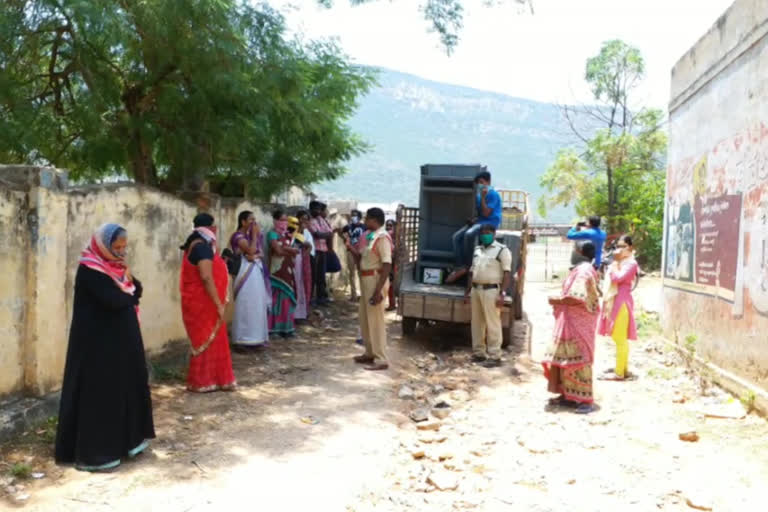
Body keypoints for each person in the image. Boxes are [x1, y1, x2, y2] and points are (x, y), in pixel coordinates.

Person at [55, 224, 155, 472]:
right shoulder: (91, 269)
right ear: (103, 246)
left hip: (121, 346)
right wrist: (129, 294)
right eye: (117, 247)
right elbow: (112, 301)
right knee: (101, 395)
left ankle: (128, 443)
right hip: (98, 348)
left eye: (124, 247)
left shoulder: (117, 269)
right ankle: (98, 454)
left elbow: (136, 290)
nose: (121, 252)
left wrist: (131, 288)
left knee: (126, 389)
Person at [180, 213, 236, 393]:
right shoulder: (202, 248)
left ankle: (214, 380)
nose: (216, 229)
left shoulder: (196, 245)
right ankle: (205, 381)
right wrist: (218, 304)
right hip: (205, 302)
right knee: (209, 338)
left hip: (201, 301)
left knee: (214, 339)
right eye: (214, 226)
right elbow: (205, 277)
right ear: (209, 229)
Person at [542, 241, 600, 414]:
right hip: (570, 321)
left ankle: (584, 399)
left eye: (574, 250)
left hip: (578, 322)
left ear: (580, 252)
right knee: (563, 357)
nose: (572, 252)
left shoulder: (583, 271)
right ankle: (568, 395)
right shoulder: (582, 269)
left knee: (580, 358)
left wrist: (556, 300)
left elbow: (577, 297)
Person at [346, 208, 393, 371]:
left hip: (375, 280)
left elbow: (387, 264)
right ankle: (370, 352)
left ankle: (381, 358)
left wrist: (378, 290)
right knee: (365, 318)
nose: (365, 221)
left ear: (374, 220)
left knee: (376, 321)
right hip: (367, 279)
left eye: (367, 219)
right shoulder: (372, 236)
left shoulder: (382, 238)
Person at [464, 224, 512, 368]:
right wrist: (467, 291)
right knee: (477, 323)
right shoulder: (478, 250)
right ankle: (479, 353)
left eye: (487, 232)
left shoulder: (502, 250)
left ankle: (495, 356)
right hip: (476, 289)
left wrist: (502, 293)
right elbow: (472, 272)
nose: (484, 234)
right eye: (482, 232)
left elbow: (507, 274)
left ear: (493, 233)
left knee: (493, 323)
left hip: (492, 291)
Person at [446, 170, 503, 283]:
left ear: (488, 182)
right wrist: (473, 220)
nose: (480, 185)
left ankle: (468, 265)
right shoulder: (478, 196)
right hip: (480, 222)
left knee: (469, 234)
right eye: (478, 183)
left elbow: (487, 213)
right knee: (456, 237)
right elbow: (481, 214)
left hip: (490, 223)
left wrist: (482, 198)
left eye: (481, 182)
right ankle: (459, 266)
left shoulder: (493, 195)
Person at [599, 235, 639, 381]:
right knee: (618, 338)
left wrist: (615, 263)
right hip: (615, 300)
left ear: (630, 247)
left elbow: (617, 278)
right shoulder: (622, 262)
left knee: (619, 337)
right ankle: (622, 368)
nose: (619, 249)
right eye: (618, 246)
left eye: (623, 246)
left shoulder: (631, 263)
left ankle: (619, 373)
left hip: (621, 301)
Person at [230, 211, 271, 349]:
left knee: (257, 304)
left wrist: (254, 254)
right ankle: (242, 340)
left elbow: (259, 253)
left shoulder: (250, 237)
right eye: (251, 219)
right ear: (243, 222)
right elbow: (251, 251)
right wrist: (254, 236)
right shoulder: (238, 237)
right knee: (246, 305)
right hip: (244, 275)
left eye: (255, 219)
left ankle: (256, 338)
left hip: (255, 273)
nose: (254, 222)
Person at [267, 210, 300, 337]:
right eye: (281, 220)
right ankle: (274, 328)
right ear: (275, 221)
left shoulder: (288, 235)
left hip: (288, 270)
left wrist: (289, 250)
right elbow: (277, 250)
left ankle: (287, 328)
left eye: (286, 220)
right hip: (277, 271)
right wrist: (291, 250)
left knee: (288, 298)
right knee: (277, 299)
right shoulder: (272, 234)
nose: (284, 223)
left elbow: (287, 249)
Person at [289, 215, 313, 322]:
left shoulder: (302, 235)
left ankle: (300, 314)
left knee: (300, 286)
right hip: (292, 263)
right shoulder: (289, 234)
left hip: (300, 263)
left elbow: (308, 246)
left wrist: (305, 254)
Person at [309, 201, 333, 305]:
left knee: (321, 275)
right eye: (316, 209)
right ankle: (311, 298)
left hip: (323, 250)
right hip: (314, 251)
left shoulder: (321, 220)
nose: (318, 211)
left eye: (319, 209)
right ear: (311, 209)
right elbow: (317, 234)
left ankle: (321, 297)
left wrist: (322, 234)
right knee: (313, 275)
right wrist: (324, 234)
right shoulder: (309, 220)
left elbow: (330, 233)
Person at [342, 209, 365, 301]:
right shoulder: (348, 227)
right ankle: (353, 295)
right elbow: (342, 232)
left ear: (359, 217)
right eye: (352, 215)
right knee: (351, 273)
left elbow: (369, 236)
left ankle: (363, 294)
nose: (353, 217)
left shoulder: (364, 227)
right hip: (350, 252)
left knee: (361, 273)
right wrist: (345, 239)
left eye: (354, 215)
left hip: (361, 252)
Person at [385, 219, 398, 311]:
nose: (388, 227)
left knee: (396, 285)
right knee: (390, 285)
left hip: (396, 265)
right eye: (387, 225)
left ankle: (397, 304)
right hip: (388, 265)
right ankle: (392, 304)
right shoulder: (385, 238)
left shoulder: (398, 239)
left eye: (390, 225)